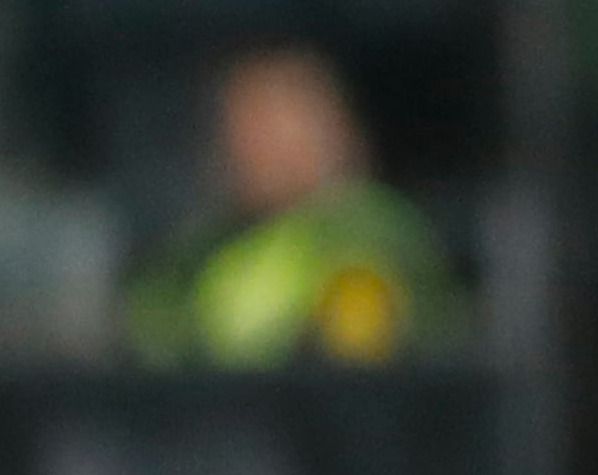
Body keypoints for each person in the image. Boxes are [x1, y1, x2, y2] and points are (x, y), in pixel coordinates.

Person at [124, 46, 467, 369]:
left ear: (332, 131)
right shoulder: (207, 241)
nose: (258, 144)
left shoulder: (373, 229)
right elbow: (150, 327)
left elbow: (364, 349)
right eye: (245, 123)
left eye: (279, 121)